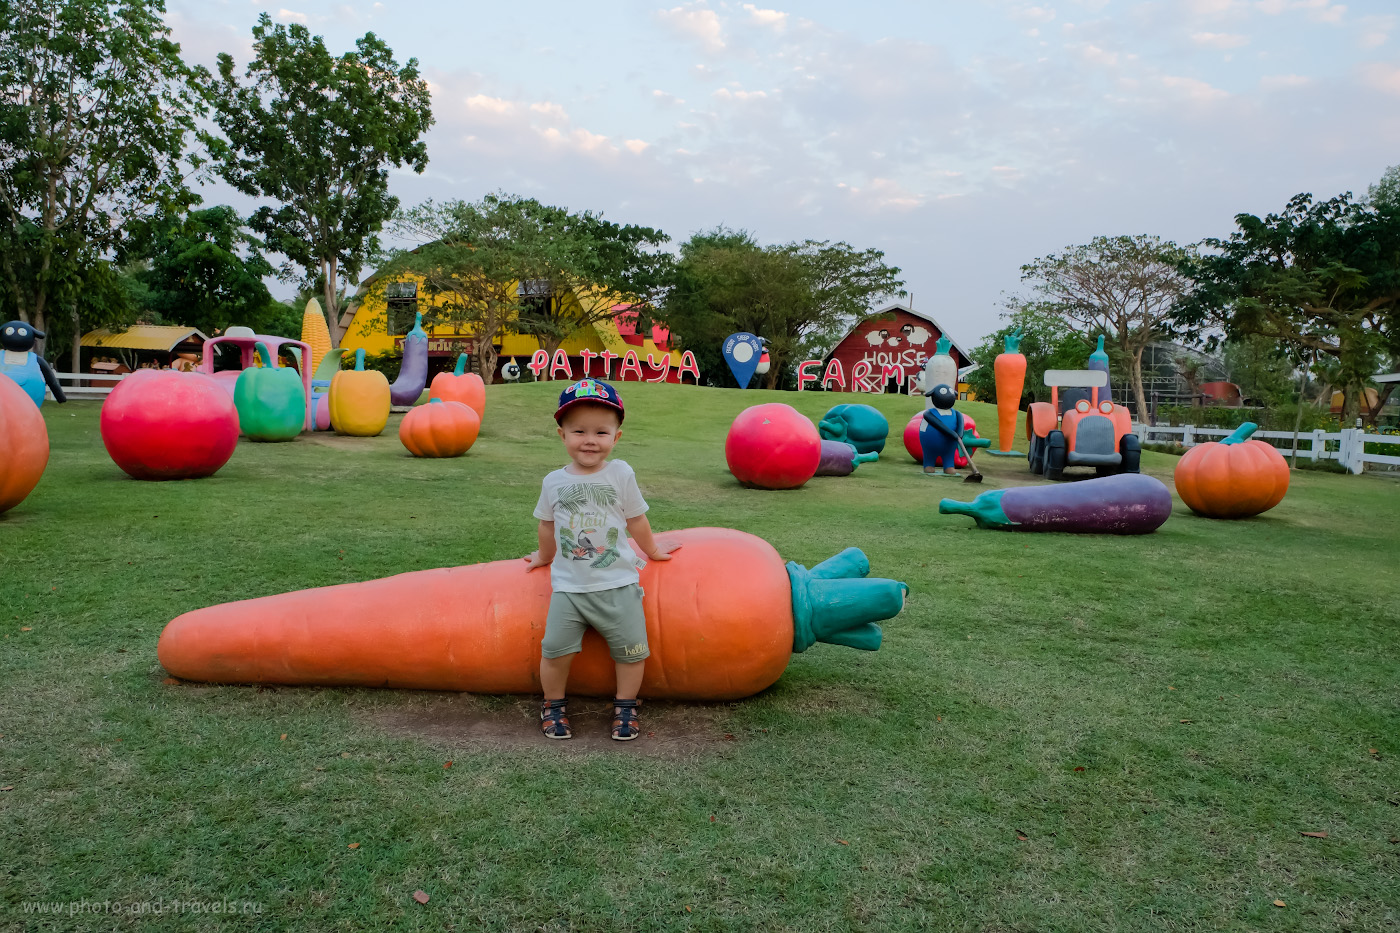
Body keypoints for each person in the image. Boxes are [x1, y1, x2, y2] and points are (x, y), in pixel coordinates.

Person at [524, 379, 678, 741]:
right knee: (554, 652)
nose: (589, 440)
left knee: (632, 652)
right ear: (562, 434)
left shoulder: (620, 473)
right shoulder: (553, 482)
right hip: (569, 589)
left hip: (619, 586)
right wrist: (544, 557)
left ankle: (625, 707)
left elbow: (636, 519)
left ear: (616, 437)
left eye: (600, 432)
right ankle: (553, 704)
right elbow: (547, 526)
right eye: (578, 430)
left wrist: (652, 550)